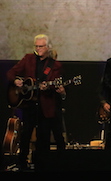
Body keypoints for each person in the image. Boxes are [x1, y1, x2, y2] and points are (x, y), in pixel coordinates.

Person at [6, 34, 66, 169]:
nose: (38, 49)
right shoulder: (28, 59)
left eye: (41, 46)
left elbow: (55, 84)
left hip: (45, 106)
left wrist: (48, 87)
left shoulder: (55, 65)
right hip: (29, 105)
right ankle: (22, 163)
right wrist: (15, 80)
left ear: (48, 47)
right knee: (26, 134)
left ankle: (40, 164)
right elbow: (10, 73)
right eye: (36, 46)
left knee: (43, 136)